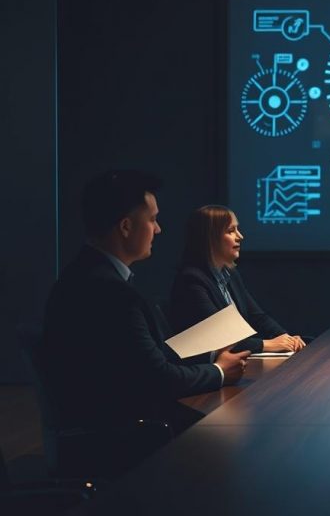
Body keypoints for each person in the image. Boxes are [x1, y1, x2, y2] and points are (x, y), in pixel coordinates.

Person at [41, 171, 249, 441]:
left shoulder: (87, 275)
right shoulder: (110, 292)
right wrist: (219, 372)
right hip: (121, 434)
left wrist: (211, 358)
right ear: (126, 227)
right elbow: (158, 378)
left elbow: (147, 359)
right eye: (152, 219)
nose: (158, 229)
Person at [169, 205, 305, 356]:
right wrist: (266, 344)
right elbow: (220, 337)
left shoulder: (230, 274)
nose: (240, 236)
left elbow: (257, 316)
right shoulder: (191, 280)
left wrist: (286, 338)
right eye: (230, 231)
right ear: (210, 238)